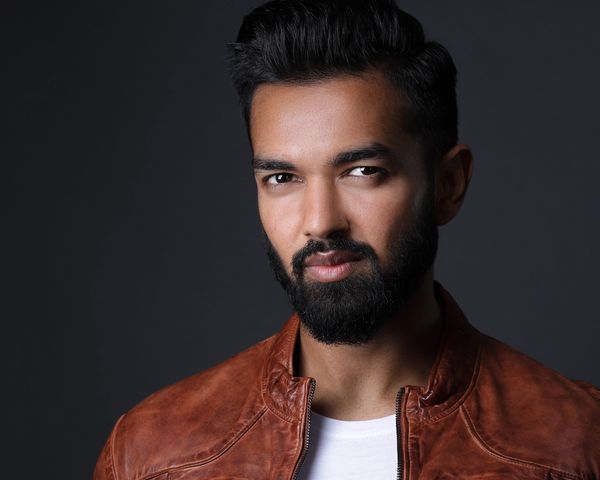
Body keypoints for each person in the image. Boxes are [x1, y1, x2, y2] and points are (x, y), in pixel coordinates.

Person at [94, 1, 600, 478]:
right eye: (282, 178)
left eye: (362, 171)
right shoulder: (155, 454)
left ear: (448, 184)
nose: (320, 222)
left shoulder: (575, 446)